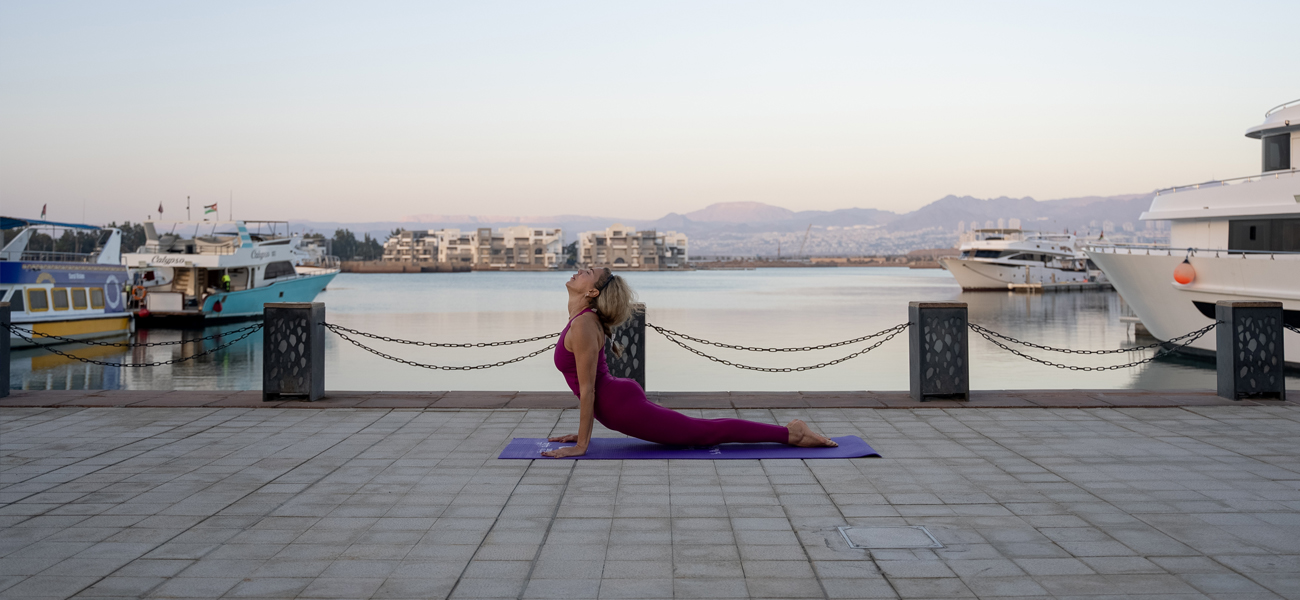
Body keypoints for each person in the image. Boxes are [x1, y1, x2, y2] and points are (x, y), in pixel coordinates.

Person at [543, 266, 838, 458]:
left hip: (620, 406)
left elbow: (589, 390)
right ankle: (791, 431)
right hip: (618, 402)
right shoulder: (582, 321)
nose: (579, 270)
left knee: (704, 433)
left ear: (592, 292)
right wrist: (584, 434)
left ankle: (792, 433)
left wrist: (582, 445)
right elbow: (589, 387)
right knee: (698, 428)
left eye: (587, 272)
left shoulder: (583, 325)